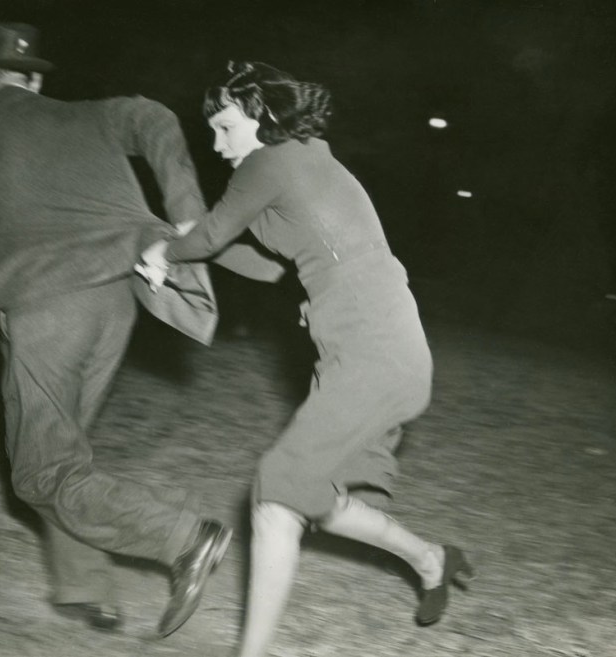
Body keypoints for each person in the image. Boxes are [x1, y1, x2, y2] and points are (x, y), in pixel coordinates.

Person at [0, 17, 230, 637]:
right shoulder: (88, 114)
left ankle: (185, 537)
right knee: (63, 446)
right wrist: (187, 217)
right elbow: (157, 116)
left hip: (47, 304)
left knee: (42, 472)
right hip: (122, 291)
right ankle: (85, 589)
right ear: (32, 78)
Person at [139, 61, 473, 656]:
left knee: (275, 492)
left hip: (375, 352)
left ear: (261, 115)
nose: (216, 145)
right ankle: (433, 560)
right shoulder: (301, 161)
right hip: (368, 350)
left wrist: (167, 248)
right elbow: (265, 265)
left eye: (224, 128)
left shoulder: (271, 162)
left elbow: (213, 236)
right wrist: (186, 246)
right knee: (316, 499)